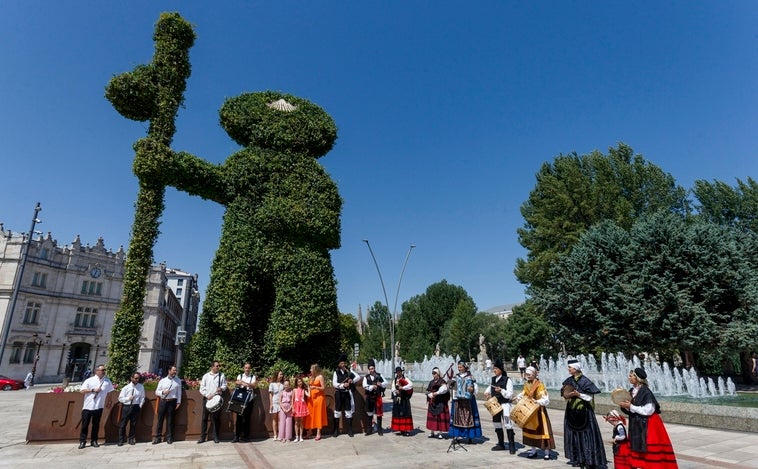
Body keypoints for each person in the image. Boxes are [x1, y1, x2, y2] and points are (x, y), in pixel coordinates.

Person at [619, 368, 678, 468]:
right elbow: (632, 408)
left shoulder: (645, 391)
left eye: (631, 375)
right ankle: (639, 465)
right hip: (636, 423)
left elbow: (649, 410)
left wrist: (631, 407)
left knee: (648, 445)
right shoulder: (631, 391)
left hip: (649, 423)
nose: (629, 377)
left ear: (637, 378)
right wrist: (625, 406)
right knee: (637, 444)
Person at [562, 359, 607, 468]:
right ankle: (579, 458)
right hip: (572, 412)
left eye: (570, 368)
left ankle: (590, 460)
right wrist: (567, 395)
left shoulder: (585, 381)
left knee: (587, 436)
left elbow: (589, 397)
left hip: (585, 412)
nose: (568, 369)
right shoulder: (568, 380)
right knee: (575, 435)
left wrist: (579, 395)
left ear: (576, 368)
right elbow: (564, 393)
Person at [513, 366, 555, 459]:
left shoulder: (539, 385)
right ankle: (533, 451)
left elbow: (545, 399)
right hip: (529, 411)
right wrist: (518, 397)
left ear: (534, 374)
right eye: (526, 374)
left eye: (529, 374)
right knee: (530, 431)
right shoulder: (526, 384)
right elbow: (524, 393)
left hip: (539, 411)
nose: (527, 376)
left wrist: (537, 401)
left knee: (542, 431)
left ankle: (547, 452)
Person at [78, 364, 113, 449]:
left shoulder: (107, 381)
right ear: (97, 371)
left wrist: (109, 401)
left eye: (104, 370)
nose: (104, 372)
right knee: (85, 425)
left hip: (99, 406)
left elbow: (109, 392)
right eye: (102, 370)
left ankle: (94, 440)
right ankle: (83, 441)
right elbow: (82, 391)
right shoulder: (89, 380)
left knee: (96, 425)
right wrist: (93, 390)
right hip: (88, 406)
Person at [484, 358, 515, 452]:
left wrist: (501, 390)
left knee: (507, 424)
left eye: (496, 369)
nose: (494, 370)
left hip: (505, 404)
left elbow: (510, 394)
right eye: (494, 368)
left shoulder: (507, 380)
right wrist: (487, 392)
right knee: (497, 424)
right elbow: (490, 387)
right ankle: (501, 444)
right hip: (495, 405)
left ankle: (511, 446)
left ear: (501, 369)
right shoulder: (493, 379)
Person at [449, 361, 482, 443]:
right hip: (458, 401)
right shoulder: (455, 377)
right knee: (458, 418)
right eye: (458, 367)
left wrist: (472, 389)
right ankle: (457, 436)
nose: (459, 368)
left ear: (465, 367)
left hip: (468, 401)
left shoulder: (470, 377)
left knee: (468, 418)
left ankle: (470, 436)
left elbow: (475, 388)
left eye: (461, 367)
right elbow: (451, 387)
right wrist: (452, 389)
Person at [198, 361, 227, 444]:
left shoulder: (222, 375)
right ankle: (202, 437)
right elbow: (202, 388)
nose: (218, 367)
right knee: (204, 418)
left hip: (216, 399)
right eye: (217, 366)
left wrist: (221, 388)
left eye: (219, 366)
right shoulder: (206, 376)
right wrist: (207, 395)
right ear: (212, 367)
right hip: (207, 399)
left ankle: (216, 437)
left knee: (216, 419)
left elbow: (225, 385)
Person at [332, 353, 360, 437]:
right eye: (342, 363)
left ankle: (350, 430)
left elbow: (358, 377)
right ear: (339, 364)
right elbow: (334, 383)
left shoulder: (349, 372)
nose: (343, 365)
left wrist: (352, 381)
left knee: (348, 412)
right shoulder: (336, 372)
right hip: (339, 394)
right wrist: (342, 385)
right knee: (337, 412)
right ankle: (336, 430)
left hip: (347, 394)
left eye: (344, 363)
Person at [154, 365, 182, 445]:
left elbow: (179, 392)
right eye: (173, 370)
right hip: (163, 401)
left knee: (170, 420)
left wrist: (178, 402)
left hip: (172, 402)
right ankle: (158, 437)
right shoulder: (162, 381)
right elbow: (156, 392)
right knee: (160, 420)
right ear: (169, 371)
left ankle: (169, 438)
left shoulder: (178, 380)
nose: (175, 372)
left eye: (175, 370)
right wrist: (163, 392)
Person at [232, 362, 257, 443]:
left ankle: (246, 436)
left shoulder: (253, 377)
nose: (247, 369)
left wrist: (243, 383)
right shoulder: (240, 375)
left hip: (249, 399)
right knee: (238, 418)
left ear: (250, 369)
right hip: (241, 398)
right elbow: (237, 383)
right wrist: (245, 384)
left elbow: (253, 386)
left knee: (247, 418)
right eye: (246, 368)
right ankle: (237, 436)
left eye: (248, 368)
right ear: (244, 368)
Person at [118, 372, 145, 446]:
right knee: (123, 424)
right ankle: (121, 439)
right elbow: (120, 398)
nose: (137, 380)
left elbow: (142, 397)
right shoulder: (126, 388)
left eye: (138, 378)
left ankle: (131, 439)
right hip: (127, 406)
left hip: (135, 406)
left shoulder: (141, 387)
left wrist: (140, 405)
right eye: (135, 378)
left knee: (133, 424)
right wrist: (128, 398)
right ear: (131, 378)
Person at [362, 358, 387, 436]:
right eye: (370, 369)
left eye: (372, 368)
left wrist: (380, 384)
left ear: (374, 368)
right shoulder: (366, 377)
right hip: (369, 397)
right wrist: (372, 387)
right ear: (368, 369)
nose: (371, 370)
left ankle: (380, 430)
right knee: (369, 413)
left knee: (379, 414)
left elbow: (386, 382)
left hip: (377, 397)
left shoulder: (379, 375)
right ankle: (369, 430)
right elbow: (364, 385)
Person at [425, 366, 449, 439]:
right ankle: (432, 432)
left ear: (438, 374)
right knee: (433, 418)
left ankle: (440, 433)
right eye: (433, 373)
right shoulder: (431, 382)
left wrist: (436, 393)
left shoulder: (442, 381)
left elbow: (445, 389)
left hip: (440, 402)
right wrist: (430, 394)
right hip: (433, 402)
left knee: (439, 418)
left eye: (435, 373)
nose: (434, 375)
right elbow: (427, 391)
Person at [304, 363, 327, 440]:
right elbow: (309, 387)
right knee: (310, 414)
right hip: (311, 398)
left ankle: (318, 433)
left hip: (319, 398)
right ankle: (310, 431)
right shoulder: (311, 377)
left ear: (315, 369)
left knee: (318, 414)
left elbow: (323, 388)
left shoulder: (320, 377)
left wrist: (315, 387)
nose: (310, 370)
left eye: (311, 369)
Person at [390, 366, 414, 436]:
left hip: (404, 399)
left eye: (400, 372)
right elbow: (392, 389)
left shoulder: (405, 379)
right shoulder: (394, 380)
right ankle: (400, 429)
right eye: (397, 372)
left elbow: (411, 385)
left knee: (405, 413)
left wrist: (403, 388)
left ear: (401, 372)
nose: (398, 373)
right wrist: (395, 392)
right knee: (398, 414)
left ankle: (406, 429)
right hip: (397, 399)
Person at [268, 370, 285, 440]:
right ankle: (275, 435)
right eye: (280, 374)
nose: (281, 376)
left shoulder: (283, 384)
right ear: (277, 375)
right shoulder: (272, 384)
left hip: (281, 403)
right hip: (274, 403)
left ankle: (280, 434)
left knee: (280, 419)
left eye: (282, 374)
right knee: (274, 419)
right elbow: (270, 394)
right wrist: (271, 403)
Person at [292, 377, 310, 442]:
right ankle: (296, 437)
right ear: (296, 383)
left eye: (301, 381)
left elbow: (309, 395)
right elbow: (292, 399)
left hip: (302, 407)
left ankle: (301, 436)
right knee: (296, 422)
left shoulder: (303, 390)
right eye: (298, 382)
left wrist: (308, 388)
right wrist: (292, 408)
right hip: (296, 407)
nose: (300, 383)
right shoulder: (294, 390)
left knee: (301, 422)